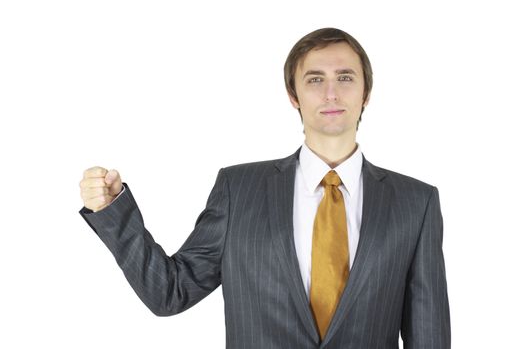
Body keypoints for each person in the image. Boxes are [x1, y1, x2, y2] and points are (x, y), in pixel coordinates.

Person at [78, 27, 451, 348]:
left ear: (366, 93)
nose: (331, 93)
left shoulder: (416, 203)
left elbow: (428, 335)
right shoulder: (239, 190)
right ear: (293, 96)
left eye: (346, 77)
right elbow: (170, 293)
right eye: (315, 79)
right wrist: (114, 212)